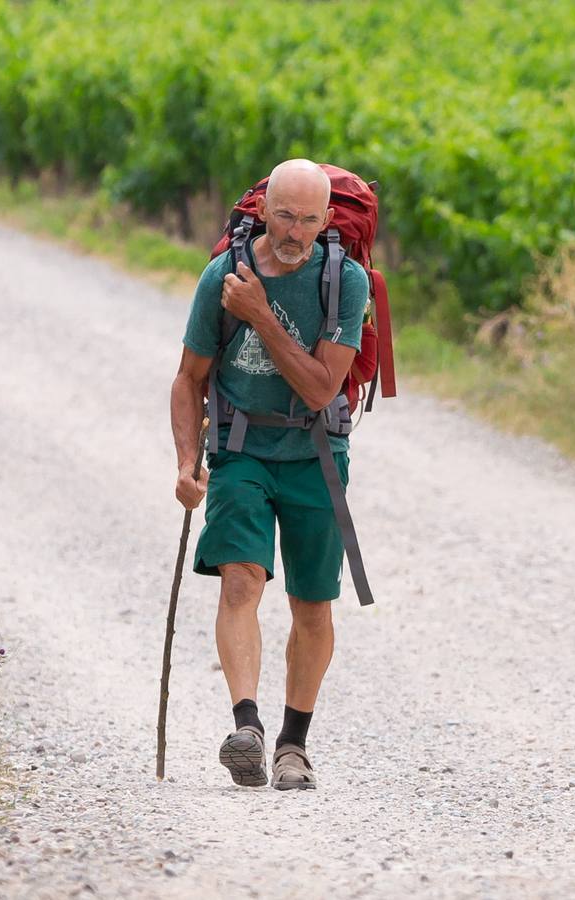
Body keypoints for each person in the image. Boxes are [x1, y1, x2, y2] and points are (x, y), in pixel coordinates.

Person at [169, 159, 369, 789]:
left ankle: (293, 745)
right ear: (262, 211)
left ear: (327, 219)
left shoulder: (345, 282)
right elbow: (188, 378)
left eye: (309, 219)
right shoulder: (222, 275)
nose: (294, 231)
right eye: (284, 216)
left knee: (313, 606)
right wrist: (185, 461)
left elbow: (318, 388)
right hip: (242, 449)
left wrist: (259, 314)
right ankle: (247, 728)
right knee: (239, 583)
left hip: (316, 456)